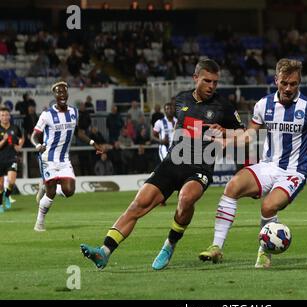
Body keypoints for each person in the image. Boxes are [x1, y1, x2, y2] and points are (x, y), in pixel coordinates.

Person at [80, 58, 244, 271]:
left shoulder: (224, 106)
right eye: (207, 81)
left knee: (186, 199)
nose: (212, 86)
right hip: (172, 163)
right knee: (138, 204)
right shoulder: (181, 100)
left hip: (199, 167)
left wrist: (227, 133)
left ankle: (169, 244)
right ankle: (104, 251)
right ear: (195, 78)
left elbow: (244, 134)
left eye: (215, 82)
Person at [198, 58, 307, 268]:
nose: (288, 88)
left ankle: (264, 253)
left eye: (293, 84)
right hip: (267, 165)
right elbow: (248, 136)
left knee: (268, 206)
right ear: (276, 80)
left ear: (299, 83)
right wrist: (225, 138)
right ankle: (216, 247)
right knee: (232, 187)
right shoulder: (263, 105)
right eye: (284, 83)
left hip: (294, 171)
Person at [31, 81, 104, 231]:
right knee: (51, 193)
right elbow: (34, 136)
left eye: (64, 92)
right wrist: (38, 145)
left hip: (64, 159)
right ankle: (39, 222)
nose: (62, 95)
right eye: (59, 92)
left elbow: (77, 132)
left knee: (69, 191)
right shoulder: (47, 115)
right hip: (48, 158)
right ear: (55, 95)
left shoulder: (74, 112)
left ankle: (45, 186)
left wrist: (92, 142)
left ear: (68, 94)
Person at [152, 102, 177, 206]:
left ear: (174, 110)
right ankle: (161, 197)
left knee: (176, 173)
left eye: (171, 108)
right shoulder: (159, 122)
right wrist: (161, 141)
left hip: (177, 151)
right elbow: (153, 136)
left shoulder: (178, 121)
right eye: (167, 109)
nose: (169, 110)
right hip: (164, 150)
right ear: (164, 111)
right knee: (167, 172)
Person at [0, 107, 24, 213]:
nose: (4, 117)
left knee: (11, 181)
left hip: (12, 158)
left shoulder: (15, 128)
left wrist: (19, 146)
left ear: (9, 116)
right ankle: (0, 205)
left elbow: (21, 138)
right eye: (2, 115)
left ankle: (7, 196)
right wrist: (4, 139)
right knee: (0, 184)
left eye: (6, 115)